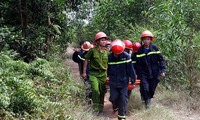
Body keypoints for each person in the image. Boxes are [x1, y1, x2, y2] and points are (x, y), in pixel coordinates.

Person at [136, 30, 166, 108]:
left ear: (150, 40)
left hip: (155, 72)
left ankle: (147, 98)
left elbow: (161, 60)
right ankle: (147, 104)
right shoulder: (140, 50)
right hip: (144, 73)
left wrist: (163, 70)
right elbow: (138, 64)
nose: (146, 41)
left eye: (148, 39)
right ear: (142, 40)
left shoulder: (155, 48)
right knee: (145, 88)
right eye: (145, 39)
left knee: (151, 89)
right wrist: (137, 74)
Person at [82, 32, 109, 115]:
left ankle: (101, 109)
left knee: (102, 91)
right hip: (93, 74)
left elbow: (109, 64)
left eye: (105, 40)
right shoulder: (92, 51)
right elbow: (86, 59)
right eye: (102, 40)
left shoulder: (107, 52)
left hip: (103, 74)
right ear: (97, 41)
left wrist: (109, 75)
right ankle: (95, 108)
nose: (104, 42)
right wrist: (84, 72)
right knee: (95, 90)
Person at [108, 39, 136, 120]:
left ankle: (121, 116)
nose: (117, 55)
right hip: (113, 82)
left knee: (123, 99)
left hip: (124, 82)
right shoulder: (109, 57)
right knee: (113, 98)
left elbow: (131, 70)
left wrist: (133, 80)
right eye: (115, 54)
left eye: (119, 53)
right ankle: (115, 105)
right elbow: (107, 69)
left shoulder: (126, 56)